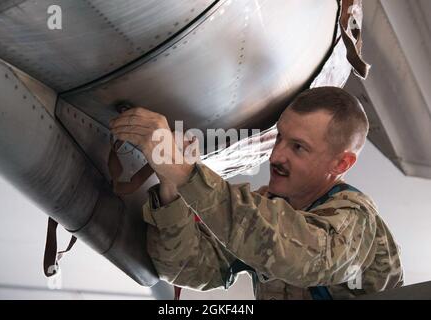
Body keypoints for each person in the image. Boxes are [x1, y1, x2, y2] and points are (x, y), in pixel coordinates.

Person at [109, 87, 404, 299]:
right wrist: (170, 184)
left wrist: (182, 171)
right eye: (280, 139)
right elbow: (187, 268)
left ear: (341, 163)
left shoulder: (355, 216)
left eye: (298, 147)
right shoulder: (266, 209)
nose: (276, 156)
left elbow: (303, 258)